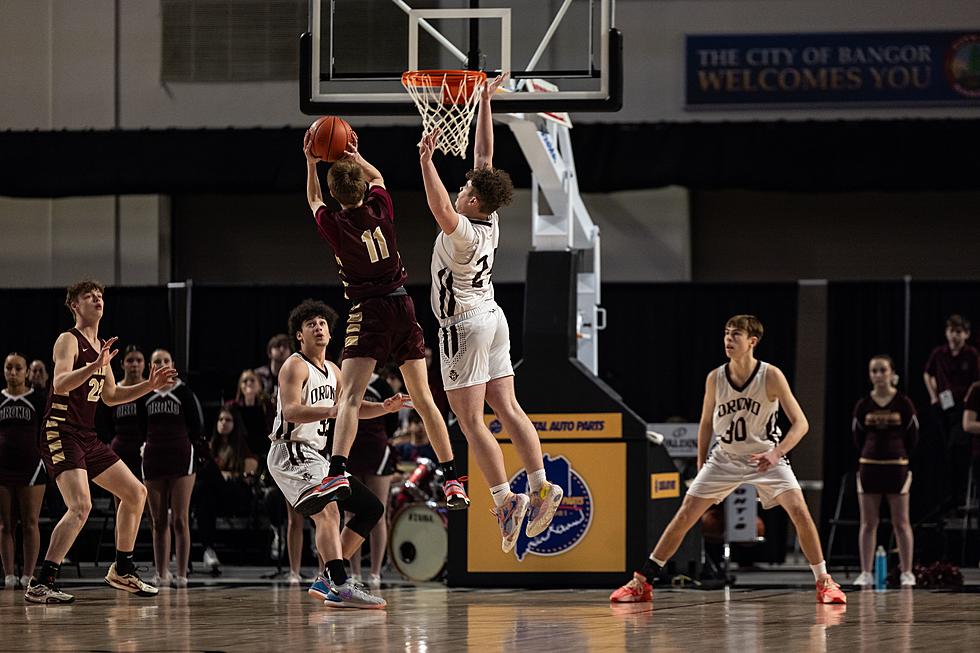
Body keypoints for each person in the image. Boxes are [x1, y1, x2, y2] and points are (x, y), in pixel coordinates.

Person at [417, 72, 563, 552]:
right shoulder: (491, 215)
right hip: (493, 318)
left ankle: (505, 500)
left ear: (473, 201)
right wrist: (484, 101)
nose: (461, 188)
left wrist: (426, 161)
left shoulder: (461, 231)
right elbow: (484, 159)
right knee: (510, 408)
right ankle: (541, 485)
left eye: (466, 190)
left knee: (472, 422)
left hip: (464, 327)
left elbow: (440, 206)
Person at [610, 315, 846, 604]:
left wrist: (776, 453)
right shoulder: (716, 377)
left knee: (799, 510)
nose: (728, 339)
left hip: (764, 458)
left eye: (735, 334)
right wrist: (700, 463)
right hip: (724, 457)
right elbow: (706, 422)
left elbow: (801, 424)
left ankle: (825, 582)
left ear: (752, 341)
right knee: (685, 515)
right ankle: (641, 582)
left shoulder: (770, 376)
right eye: (726, 333)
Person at [302, 128, 468, 510]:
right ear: (363, 188)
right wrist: (356, 156)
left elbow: (313, 198)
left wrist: (311, 163)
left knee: (350, 396)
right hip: (402, 304)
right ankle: (452, 479)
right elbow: (377, 177)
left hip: (370, 310)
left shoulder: (335, 224)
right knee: (425, 400)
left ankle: (337, 470)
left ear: (337, 195)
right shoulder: (381, 206)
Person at [27, 280, 176, 604]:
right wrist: (94, 365)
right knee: (80, 506)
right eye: (88, 296)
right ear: (74, 306)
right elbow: (61, 382)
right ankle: (42, 582)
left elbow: (111, 397)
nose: (97, 300)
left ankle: (122, 569)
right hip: (60, 431)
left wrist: (148, 385)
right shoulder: (68, 340)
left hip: (86, 435)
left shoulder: (101, 347)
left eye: (100, 296)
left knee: (136, 493)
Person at [268, 299, 406, 608]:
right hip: (290, 452)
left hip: (317, 456)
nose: (318, 327)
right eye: (311, 324)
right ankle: (341, 583)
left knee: (371, 508)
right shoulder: (295, 365)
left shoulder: (334, 370)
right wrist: (332, 411)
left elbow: (352, 409)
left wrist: (384, 407)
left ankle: (329, 577)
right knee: (328, 511)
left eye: (323, 323)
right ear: (299, 336)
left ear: (331, 333)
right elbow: (290, 411)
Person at [851, 355, 918, 588]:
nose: (878, 375)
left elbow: (913, 436)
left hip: (897, 468)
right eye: (874, 371)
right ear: (870, 375)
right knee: (869, 523)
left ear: (891, 373)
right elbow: (857, 436)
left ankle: (907, 572)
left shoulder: (904, 403)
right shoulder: (863, 405)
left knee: (901, 522)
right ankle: (866, 572)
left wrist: (899, 454)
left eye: (882, 370)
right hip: (869, 467)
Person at [141, 348, 206, 588]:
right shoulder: (145, 392)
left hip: (181, 458)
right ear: (151, 366)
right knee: (158, 520)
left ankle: (181, 574)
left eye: (166, 360)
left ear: (173, 364)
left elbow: (197, 426)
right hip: (153, 458)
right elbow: (138, 424)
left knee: (180, 519)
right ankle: (161, 573)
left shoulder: (184, 392)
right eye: (157, 361)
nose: (161, 363)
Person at [347, 369, 399, 587]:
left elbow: (392, 421)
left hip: (376, 451)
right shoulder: (345, 381)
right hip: (350, 449)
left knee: (379, 512)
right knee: (351, 513)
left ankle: (376, 572)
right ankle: (355, 572)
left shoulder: (382, 386)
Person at [923, 314, 980, 511]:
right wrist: (933, 395)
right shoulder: (939, 353)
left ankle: (960, 494)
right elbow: (927, 374)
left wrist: (969, 399)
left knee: (959, 445)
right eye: (951, 331)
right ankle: (946, 495)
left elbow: (976, 380)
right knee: (943, 448)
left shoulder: (972, 354)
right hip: (943, 405)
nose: (954, 336)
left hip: (963, 407)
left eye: (958, 332)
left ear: (966, 334)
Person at [1, 353, 47, 589]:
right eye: (9, 367)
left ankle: (29, 574)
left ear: (26, 371)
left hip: (32, 468)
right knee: (5, 524)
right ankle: (9, 575)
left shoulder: (37, 399)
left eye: (18, 368)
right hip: (3, 469)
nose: (13, 372)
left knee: (30, 522)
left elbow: (47, 432)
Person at [194, 406, 259, 574]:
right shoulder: (210, 446)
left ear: (235, 423)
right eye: (221, 419)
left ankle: (180, 510)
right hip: (216, 497)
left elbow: (250, 472)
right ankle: (209, 550)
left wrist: (227, 474)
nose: (223, 423)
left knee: (207, 470)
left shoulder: (242, 446)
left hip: (236, 495)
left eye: (228, 420)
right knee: (205, 494)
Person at [106, 346, 146, 480]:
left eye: (139, 360)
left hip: (144, 449)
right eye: (130, 360)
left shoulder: (150, 389)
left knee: (143, 495)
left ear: (145, 364)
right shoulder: (114, 390)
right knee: (120, 494)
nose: (134, 364)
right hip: (119, 449)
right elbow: (104, 422)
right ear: (122, 364)